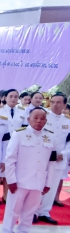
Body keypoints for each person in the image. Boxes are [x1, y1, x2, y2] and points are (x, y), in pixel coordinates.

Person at [2, 107, 56, 233]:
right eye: (35, 118)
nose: (39, 121)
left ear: (46, 121)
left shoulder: (50, 136)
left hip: (39, 181)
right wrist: (11, 180)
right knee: (13, 209)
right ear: (28, 119)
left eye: (42, 118)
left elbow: (51, 162)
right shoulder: (19, 134)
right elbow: (10, 159)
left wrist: (48, 182)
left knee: (30, 210)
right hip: (20, 180)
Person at [34, 93, 70, 225]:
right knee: (38, 186)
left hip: (59, 159)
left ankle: (44, 212)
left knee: (52, 186)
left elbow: (69, 142)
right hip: (42, 157)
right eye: (53, 102)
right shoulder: (43, 117)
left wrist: (64, 153)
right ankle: (33, 212)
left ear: (64, 105)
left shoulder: (68, 121)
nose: (55, 104)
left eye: (59, 102)